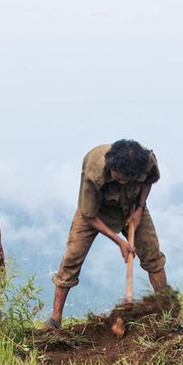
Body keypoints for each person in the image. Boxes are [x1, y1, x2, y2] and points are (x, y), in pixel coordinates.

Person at [46, 140, 168, 329]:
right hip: (96, 211)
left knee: (153, 255)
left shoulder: (146, 161)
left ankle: (167, 313)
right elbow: (88, 215)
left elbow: (148, 181)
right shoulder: (94, 171)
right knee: (72, 257)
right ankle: (54, 320)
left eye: (126, 180)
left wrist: (139, 208)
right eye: (117, 178)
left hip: (132, 205)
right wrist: (119, 241)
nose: (121, 182)